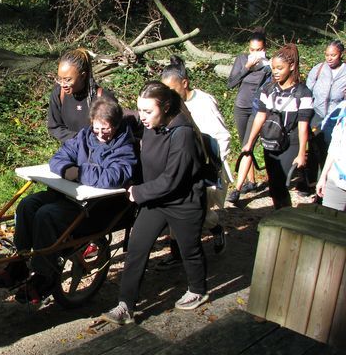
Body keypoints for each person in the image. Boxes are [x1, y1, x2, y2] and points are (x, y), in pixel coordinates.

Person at [101, 81, 208, 325]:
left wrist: (138, 192)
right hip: (156, 201)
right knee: (137, 249)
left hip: (184, 202)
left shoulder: (183, 135)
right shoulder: (151, 127)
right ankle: (125, 306)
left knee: (189, 250)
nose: (143, 117)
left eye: (148, 111)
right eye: (140, 110)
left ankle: (198, 290)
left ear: (166, 107)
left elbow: (172, 180)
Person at [11, 98, 137, 304]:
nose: (100, 134)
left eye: (105, 129)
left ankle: (44, 276)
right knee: (28, 205)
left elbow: (114, 176)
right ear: (91, 123)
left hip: (98, 208)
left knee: (46, 215)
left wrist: (78, 172)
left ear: (115, 125)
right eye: (96, 128)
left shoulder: (124, 146)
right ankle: (20, 261)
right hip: (72, 198)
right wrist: (65, 169)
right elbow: (58, 158)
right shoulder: (84, 137)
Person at [159, 56, 231, 268]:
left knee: (196, 214)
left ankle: (215, 229)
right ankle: (176, 254)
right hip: (183, 166)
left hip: (205, 168)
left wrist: (213, 170)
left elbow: (221, 137)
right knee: (174, 209)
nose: (168, 95)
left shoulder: (203, 103)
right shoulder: (172, 106)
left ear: (184, 83)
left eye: (172, 89)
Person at [241, 44, 313, 209]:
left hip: (291, 143)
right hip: (270, 141)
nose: (275, 72)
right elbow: (260, 116)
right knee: (274, 185)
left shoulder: (303, 93)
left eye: (280, 68)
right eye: (273, 68)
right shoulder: (268, 90)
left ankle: (284, 217)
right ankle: (280, 214)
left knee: (280, 184)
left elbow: (303, 125)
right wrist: (249, 142)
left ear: (292, 66)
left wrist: (302, 153)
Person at [227, 29, 271, 203]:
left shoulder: (269, 66)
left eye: (258, 50)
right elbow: (231, 83)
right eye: (252, 50)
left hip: (256, 110)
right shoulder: (242, 59)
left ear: (264, 48)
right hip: (240, 107)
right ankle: (251, 181)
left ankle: (237, 190)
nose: (254, 53)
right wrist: (246, 67)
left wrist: (265, 65)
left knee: (248, 145)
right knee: (245, 144)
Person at [47, 48, 117, 143]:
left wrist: (90, 142)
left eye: (68, 80)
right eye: (60, 79)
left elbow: (114, 132)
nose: (63, 84)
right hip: (71, 150)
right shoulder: (59, 94)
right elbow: (54, 127)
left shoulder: (103, 99)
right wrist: (79, 140)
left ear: (83, 76)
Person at [306, 40, 346, 186]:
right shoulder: (318, 69)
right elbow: (307, 91)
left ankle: (328, 182)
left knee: (331, 149)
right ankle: (310, 181)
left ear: (341, 54)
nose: (329, 58)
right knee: (314, 147)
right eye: (327, 54)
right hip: (317, 114)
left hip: (337, 117)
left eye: (333, 55)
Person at [316, 101, 346, 210]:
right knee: (328, 223)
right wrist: (324, 176)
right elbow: (335, 146)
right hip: (336, 180)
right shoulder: (343, 108)